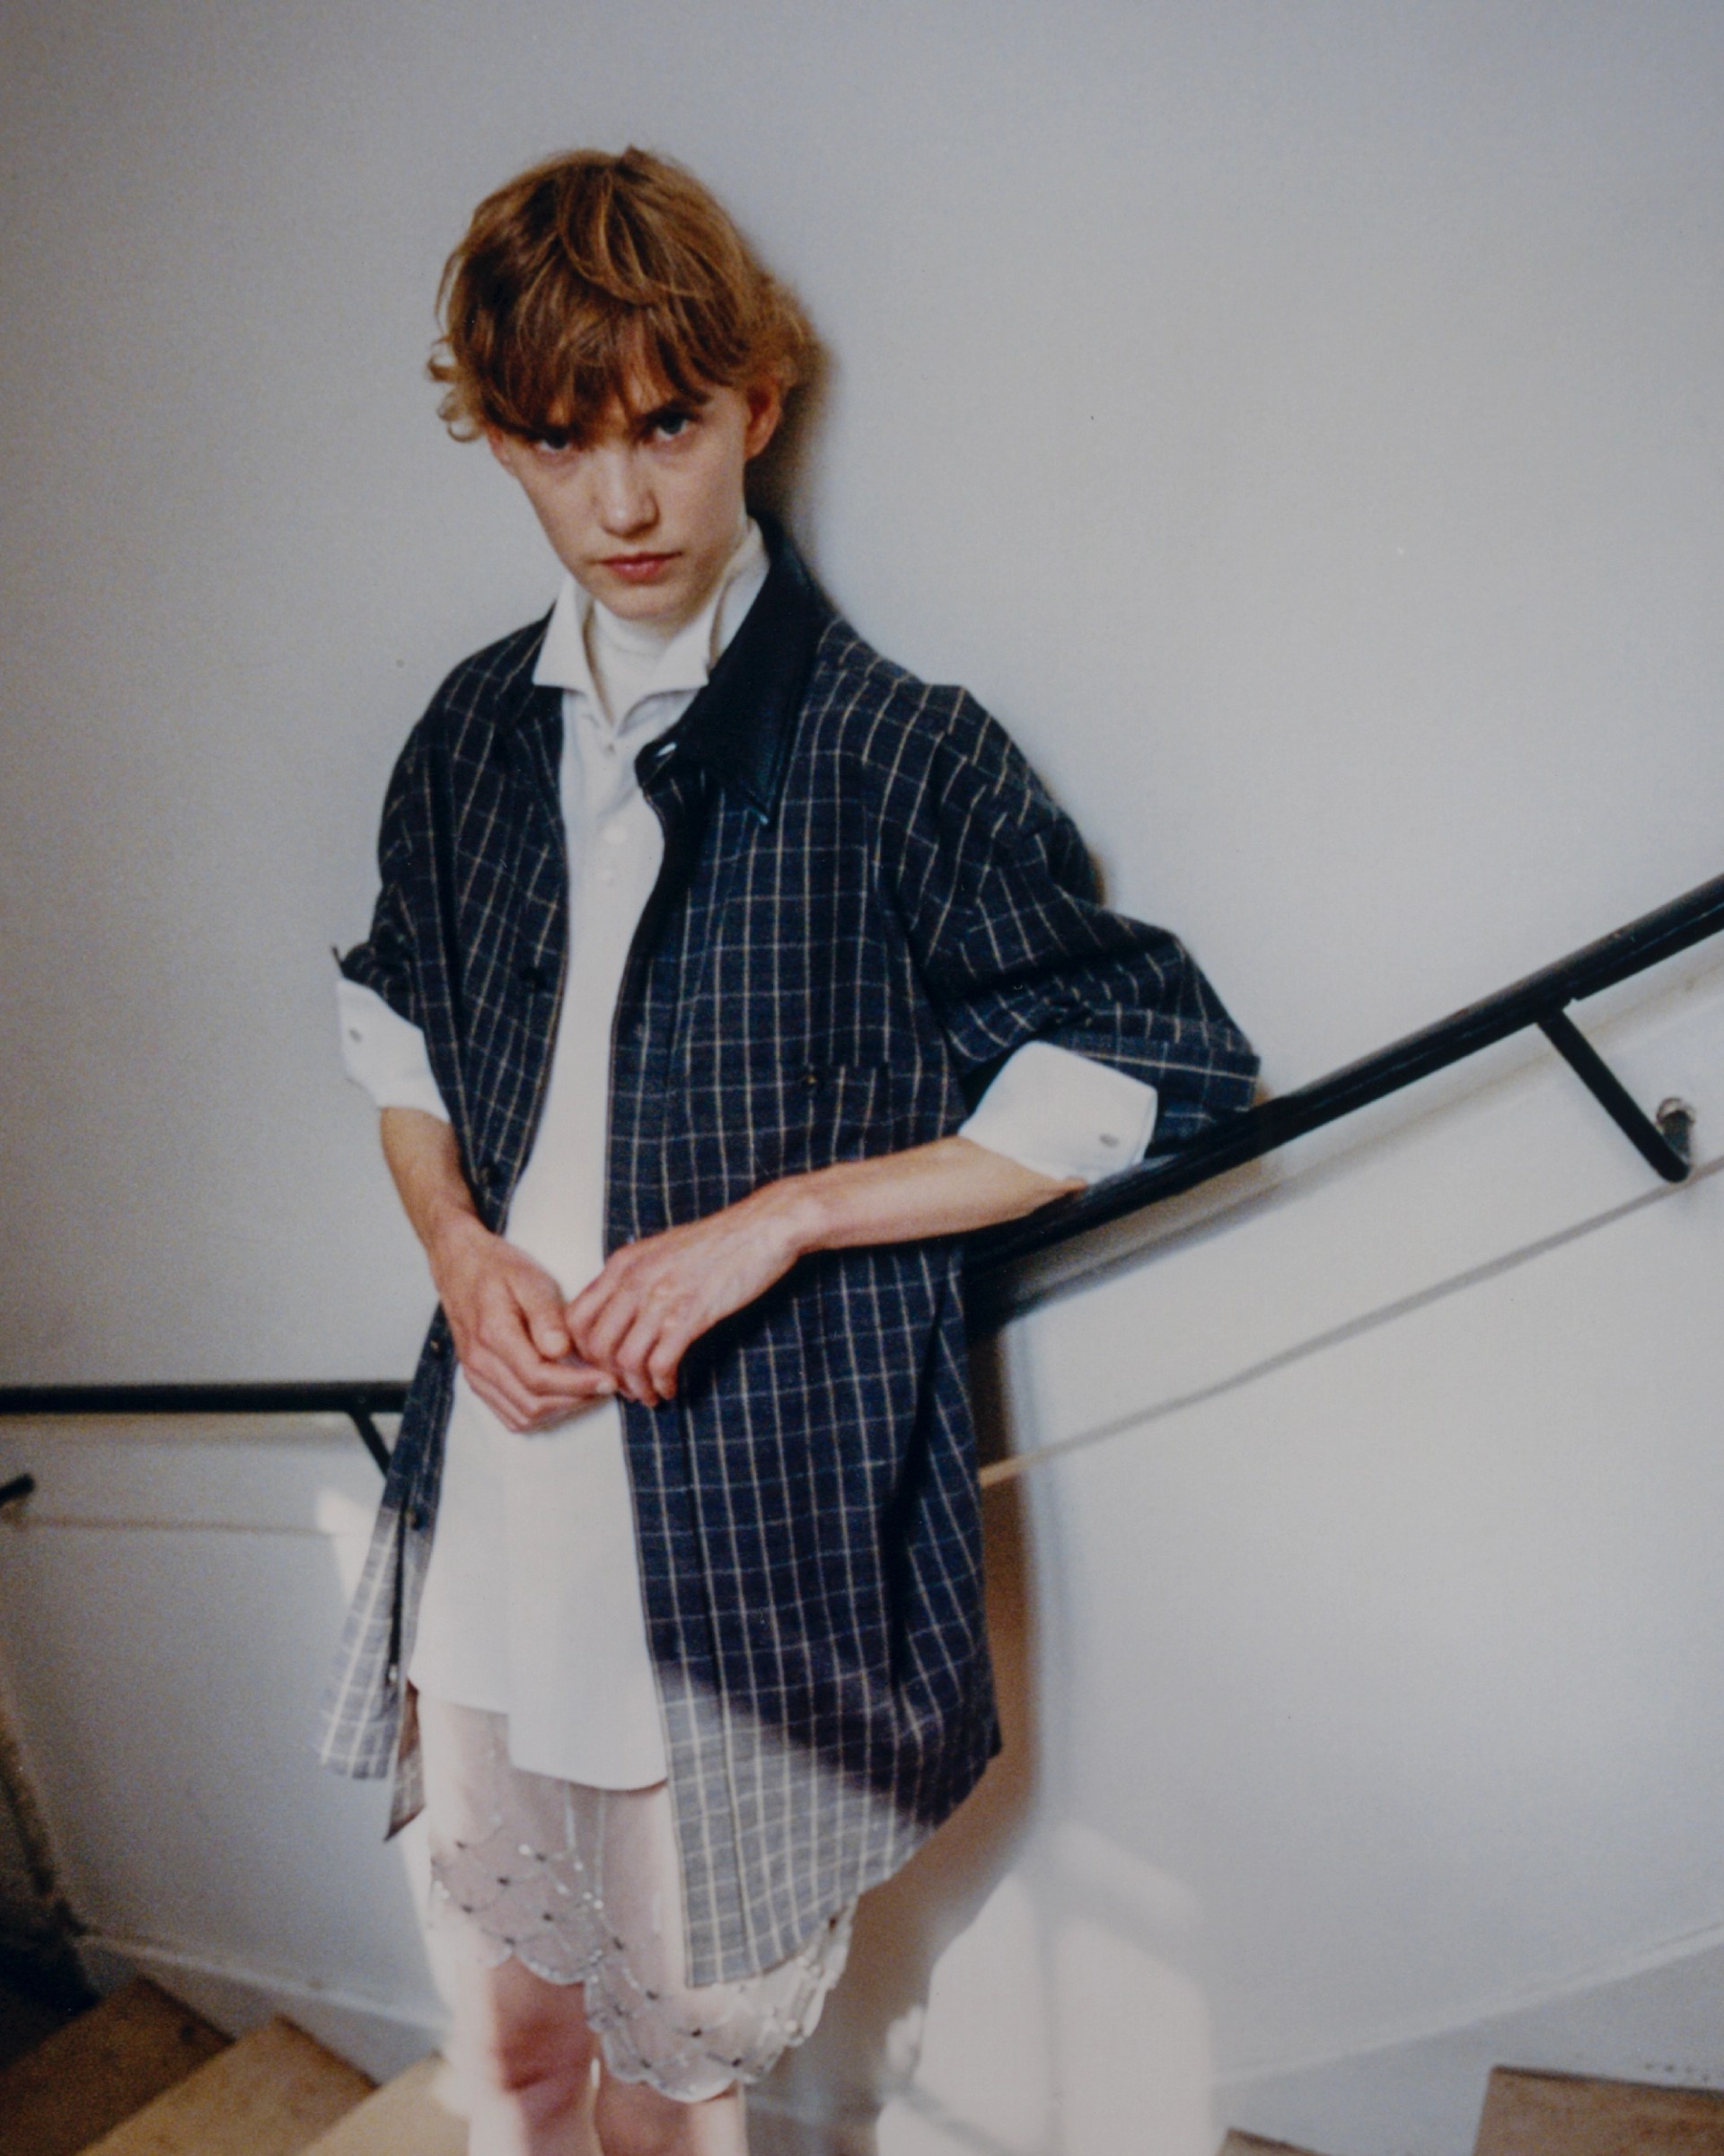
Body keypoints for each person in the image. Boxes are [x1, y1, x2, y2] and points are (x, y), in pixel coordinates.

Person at [319, 146, 1258, 2156]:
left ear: (758, 402)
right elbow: (391, 1022)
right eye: (559, 442)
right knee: (507, 2055)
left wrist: (787, 1217)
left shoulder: (895, 748)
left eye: (665, 423)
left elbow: (1145, 1065)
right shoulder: (467, 737)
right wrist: (455, 1247)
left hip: (734, 1539)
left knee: (675, 2094)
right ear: (500, 442)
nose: (623, 502)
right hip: (493, 1500)